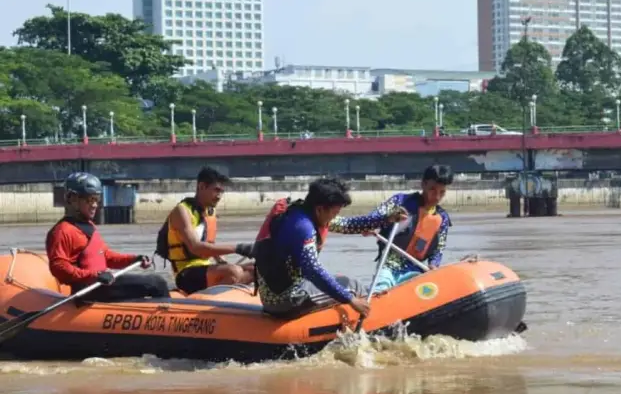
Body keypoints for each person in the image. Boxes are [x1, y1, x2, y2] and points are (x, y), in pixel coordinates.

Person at [253, 177, 406, 319]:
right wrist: (350, 299)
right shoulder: (303, 228)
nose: (335, 217)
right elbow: (312, 270)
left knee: (342, 281)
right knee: (353, 287)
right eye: (334, 213)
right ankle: (377, 320)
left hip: (274, 293)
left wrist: (387, 219)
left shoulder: (303, 212)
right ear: (320, 209)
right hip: (284, 299)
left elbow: (348, 224)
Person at [46, 172, 170, 302]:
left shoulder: (89, 225)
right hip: (89, 289)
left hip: (102, 283)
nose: (94, 205)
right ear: (72, 199)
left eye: (96, 199)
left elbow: (106, 256)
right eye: (89, 200)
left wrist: (134, 259)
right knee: (156, 283)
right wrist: (94, 276)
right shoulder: (61, 231)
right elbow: (58, 267)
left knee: (155, 282)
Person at [156, 166, 255, 295]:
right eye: (216, 190)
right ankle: (206, 302)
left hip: (205, 267)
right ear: (202, 187)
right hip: (186, 273)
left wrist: (221, 261)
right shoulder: (182, 211)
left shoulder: (210, 212)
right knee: (233, 271)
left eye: (221, 192)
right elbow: (196, 247)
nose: (219, 196)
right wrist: (239, 248)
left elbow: (209, 244)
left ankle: (234, 299)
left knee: (255, 268)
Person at [361, 164, 454, 293]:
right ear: (423, 185)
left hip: (416, 269)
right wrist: (369, 226)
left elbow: (439, 248)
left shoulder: (442, 218)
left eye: (442, 192)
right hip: (389, 265)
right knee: (380, 290)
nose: (437, 197)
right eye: (432, 190)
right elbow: (374, 216)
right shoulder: (400, 201)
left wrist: (434, 265)